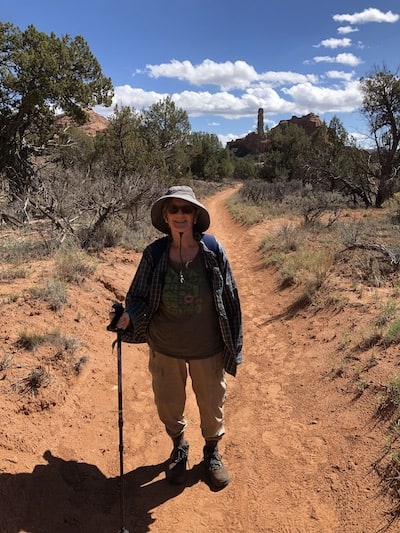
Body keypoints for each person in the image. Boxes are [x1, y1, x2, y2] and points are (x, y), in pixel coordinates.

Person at [114, 185, 242, 489]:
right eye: (174, 209)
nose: (181, 215)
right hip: (164, 345)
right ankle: (179, 445)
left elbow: (231, 296)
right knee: (169, 403)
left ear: (195, 215)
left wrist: (233, 345)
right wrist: (128, 314)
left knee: (212, 404)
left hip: (207, 346)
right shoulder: (155, 253)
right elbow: (139, 295)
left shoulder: (213, 250)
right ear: (166, 216)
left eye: (186, 209)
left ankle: (211, 452)